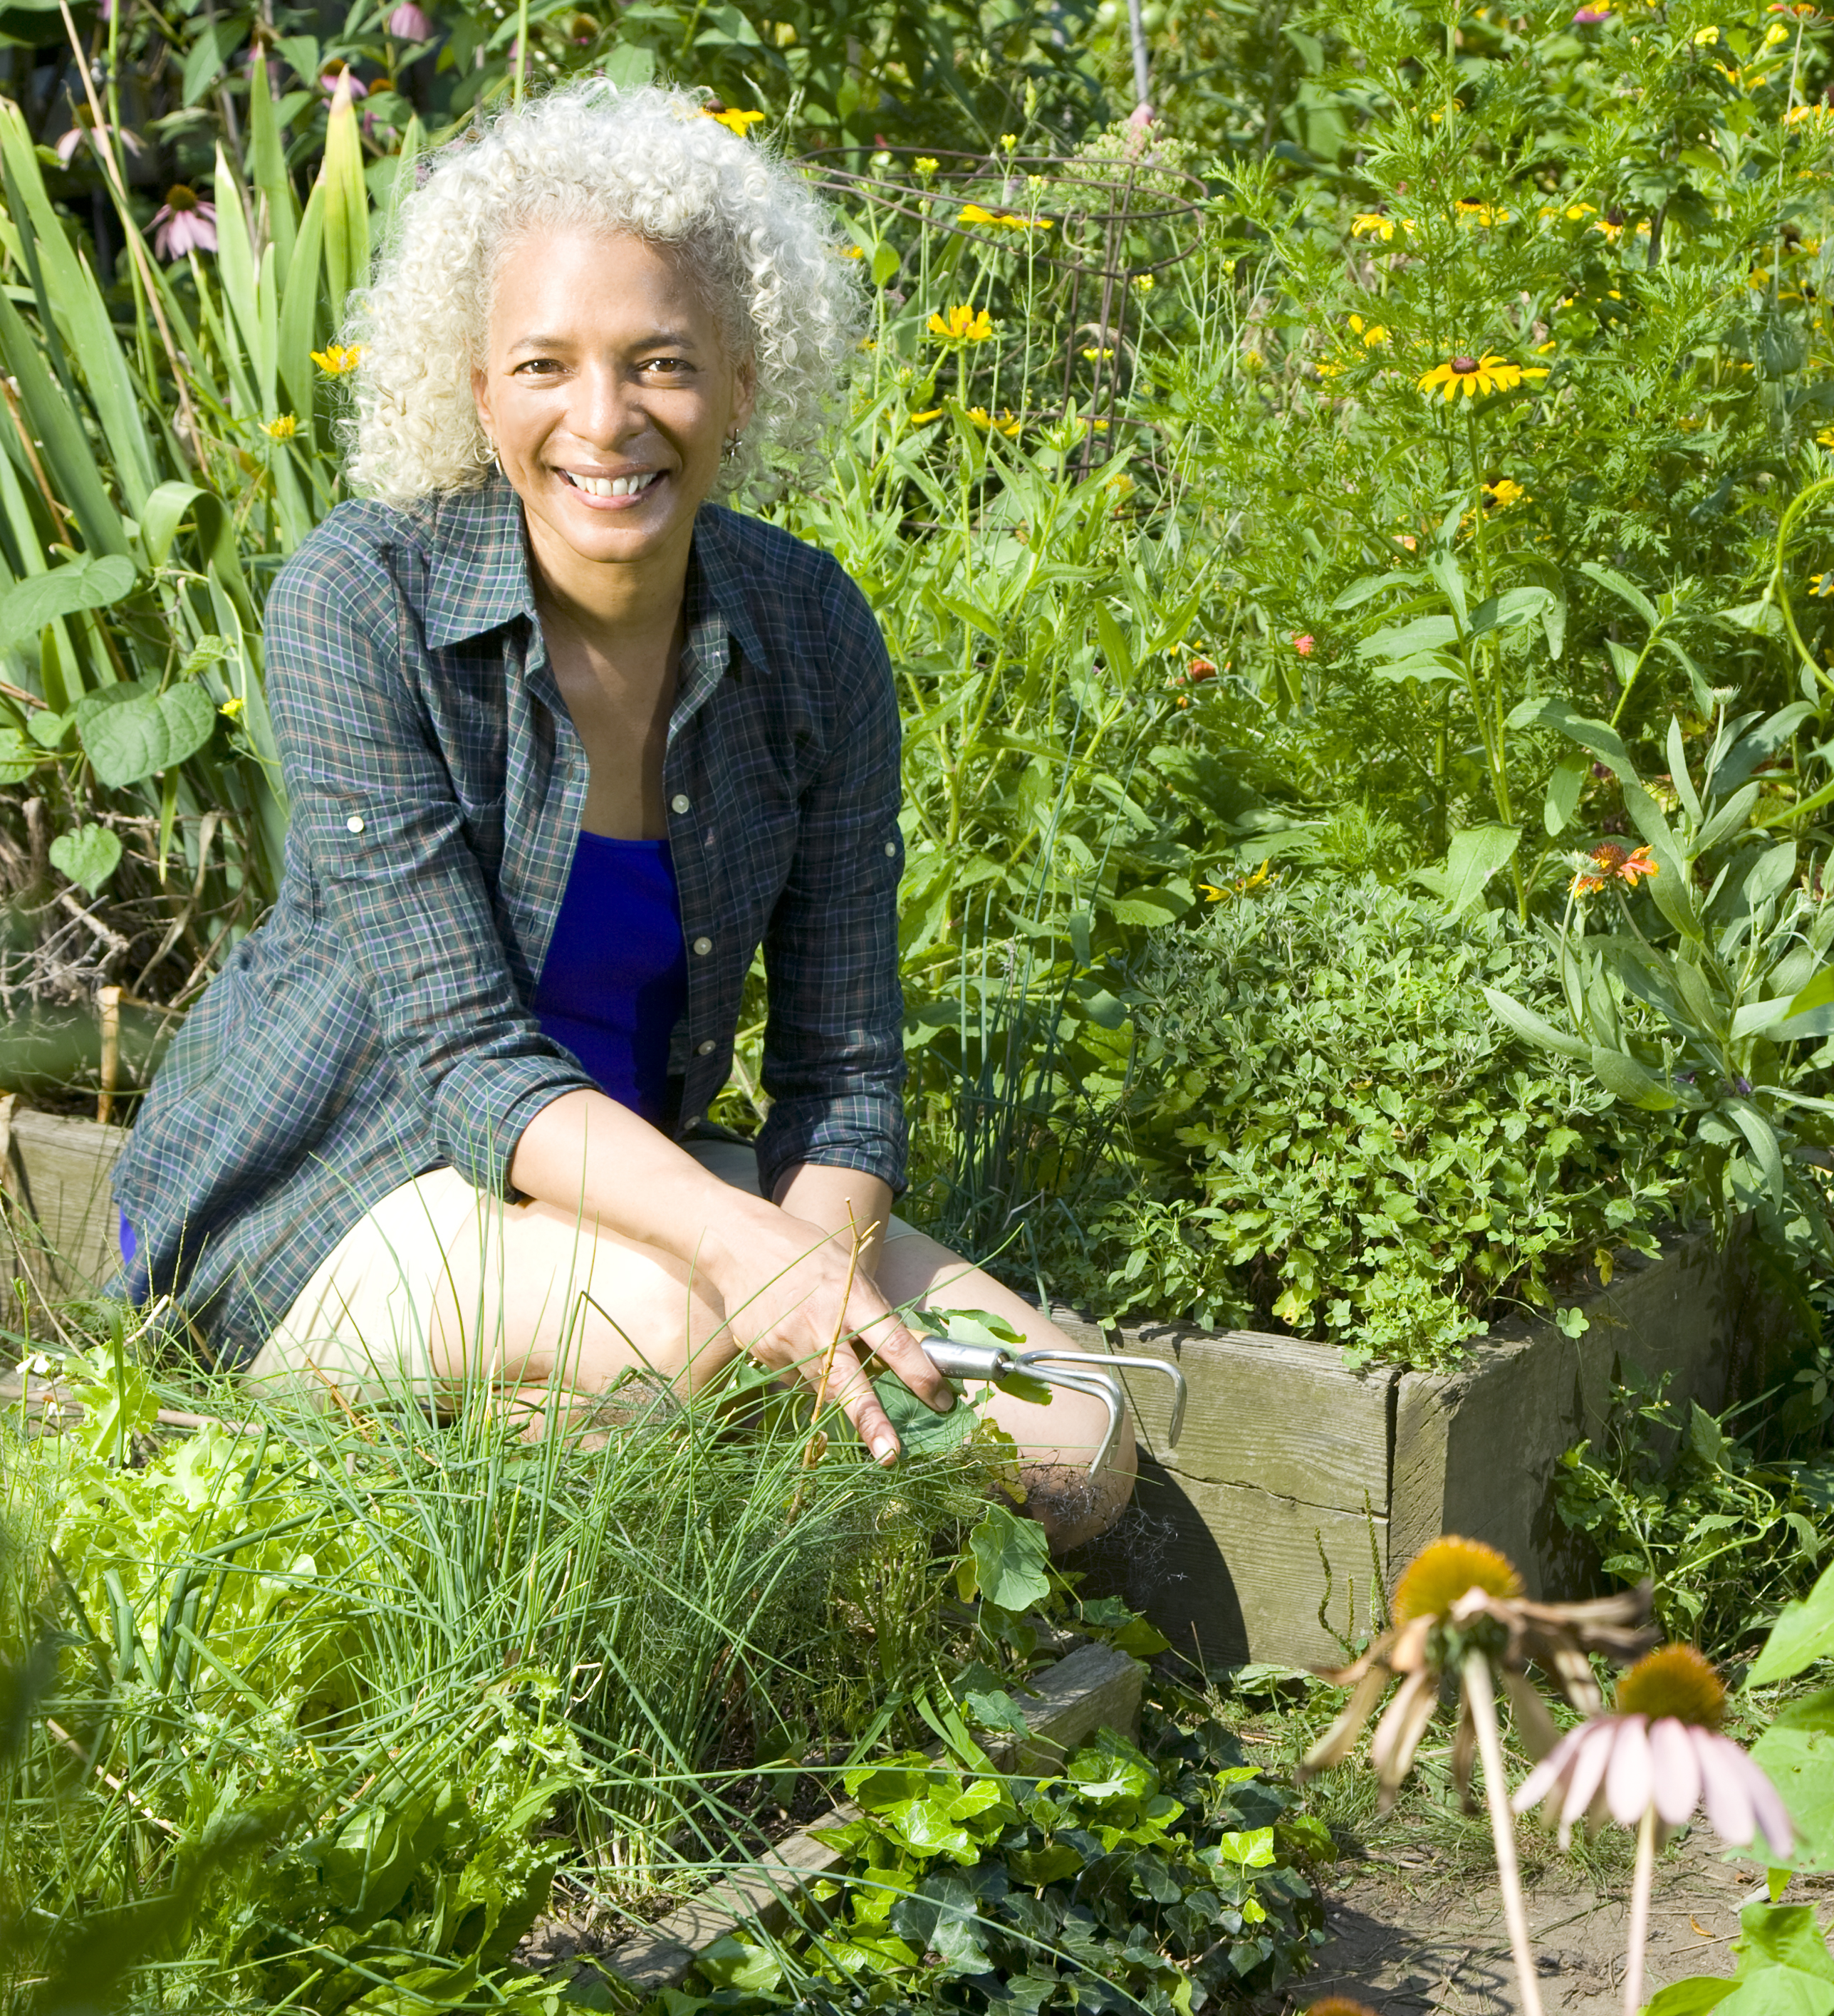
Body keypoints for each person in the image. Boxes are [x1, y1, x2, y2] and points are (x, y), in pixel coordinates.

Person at [112, 83, 1135, 1547]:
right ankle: (413, 1459)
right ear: (476, 391)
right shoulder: (363, 599)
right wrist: (750, 1269)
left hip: (635, 1204)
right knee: (677, 1330)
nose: (604, 421)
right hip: (334, 1188)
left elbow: (841, 1070)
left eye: (661, 363)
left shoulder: (811, 632)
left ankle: (571, 1461)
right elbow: (469, 1066)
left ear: (740, 378)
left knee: (1077, 1435)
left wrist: (817, 1287)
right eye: (545, 364)